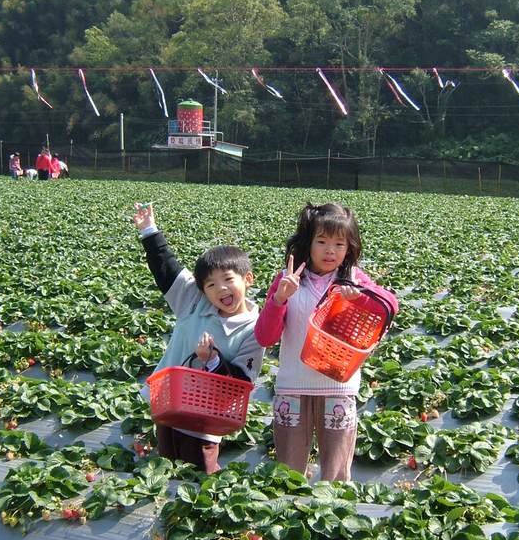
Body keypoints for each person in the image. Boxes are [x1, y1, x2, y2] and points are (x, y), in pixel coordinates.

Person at [254, 202, 398, 482]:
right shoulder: (287, 279)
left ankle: (333, 519)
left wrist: (360, 297)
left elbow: (390, 305)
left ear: (349, 248)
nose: (330, 250)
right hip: (292, 387)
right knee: (288, 472)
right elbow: (265, 337)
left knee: (336, 474)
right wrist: (279, 298)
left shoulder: (354, 279)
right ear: (307, 243)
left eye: (339, 243)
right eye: (321, 242)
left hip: (339, 387)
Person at [134, 202, 263, 474]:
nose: (221, 289)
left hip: (205, 419)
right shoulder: (194, 302)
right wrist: (149, 231)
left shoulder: (254, 330)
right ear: (203, 290)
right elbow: (166, 269)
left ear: (247, 279)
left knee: (198, 477)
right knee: (166, 469)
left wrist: (213, 360)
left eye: (228, 279)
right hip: (168, 404)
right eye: (211, 284)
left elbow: (242, 381)